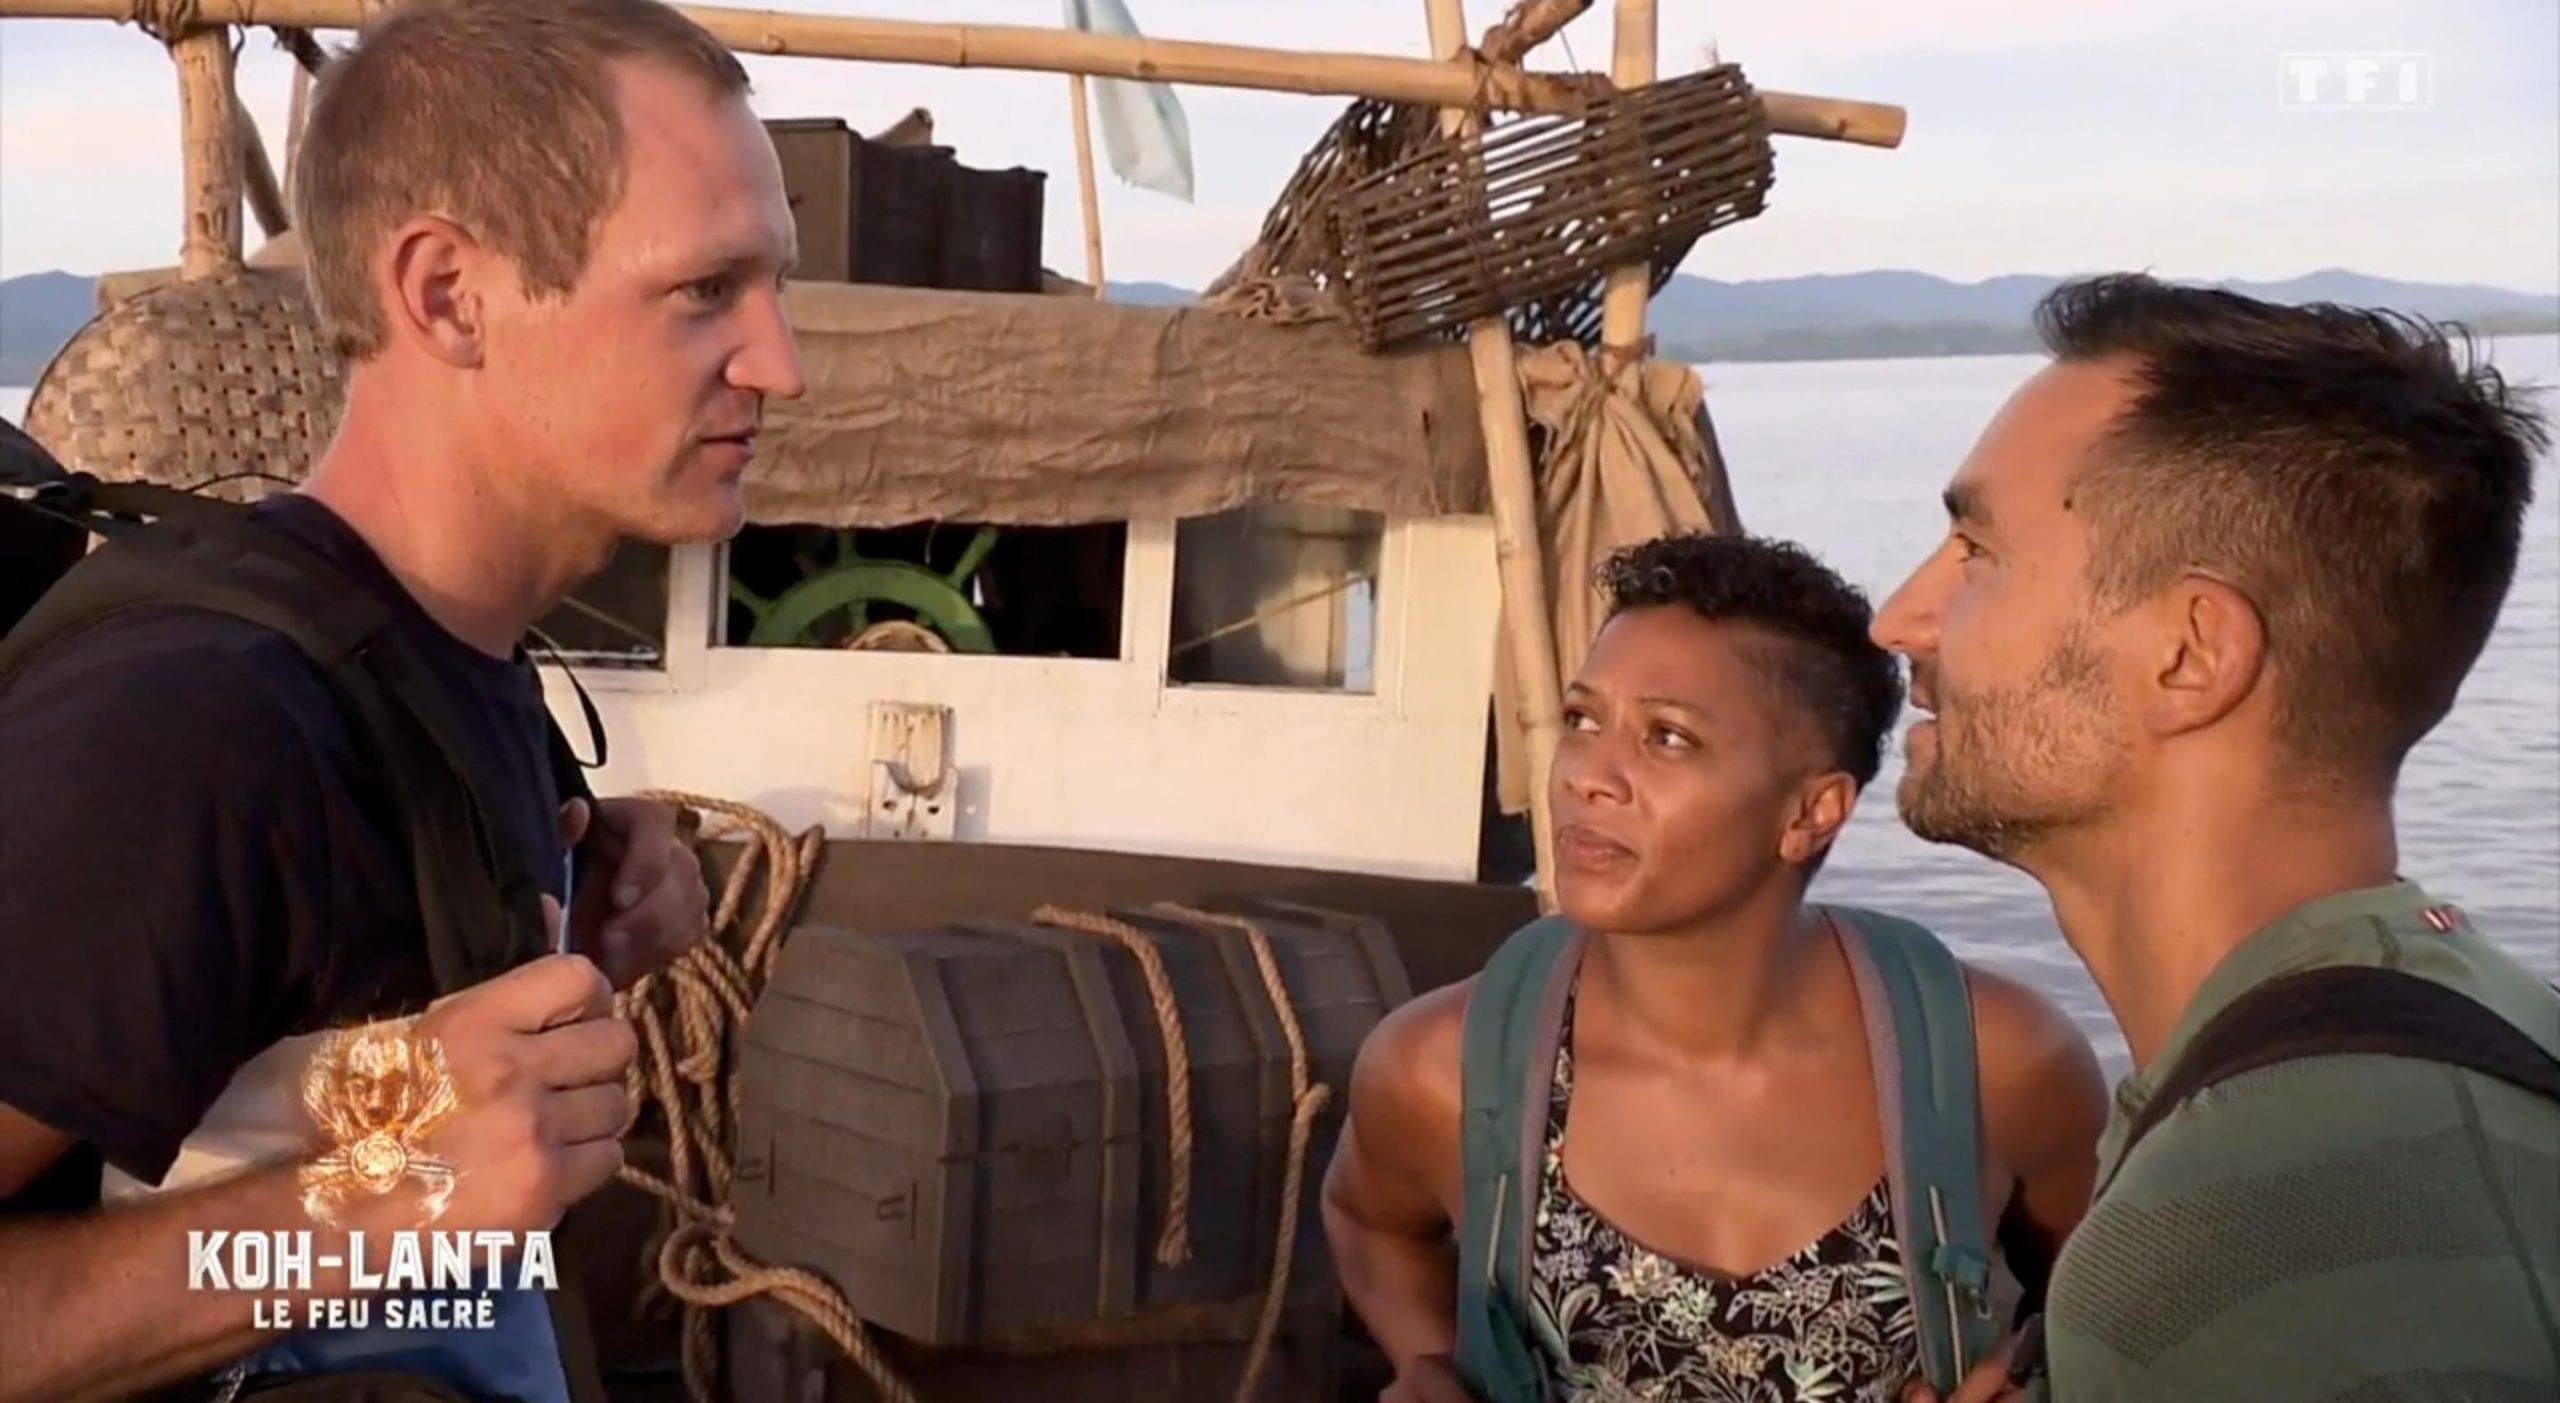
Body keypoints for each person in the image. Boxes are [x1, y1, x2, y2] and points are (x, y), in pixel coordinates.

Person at [0, 0, 803, 1398]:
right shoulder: (197, 730)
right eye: (702, 290)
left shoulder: (449, 674)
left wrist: (579, 907)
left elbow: (302, 1047)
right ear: (446, 295)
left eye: (773, 286)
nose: (780, 362)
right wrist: (390, 1195)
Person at [1871, 274, 2560, 1402]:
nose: (1896, 616)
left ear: (2189, 656)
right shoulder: (2447, 1025)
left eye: (1976, 549)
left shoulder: (2272, 1226)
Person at [1325, 534, 2108, 1403]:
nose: (1587, 776)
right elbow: (1368, 1220)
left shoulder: (1993, 1063)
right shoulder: (1446, 1066)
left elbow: (2116, 1307)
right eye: (1583, 719)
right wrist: (1430, 1361)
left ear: (1811, 811)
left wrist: (2038, 1382)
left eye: (1667, 736)